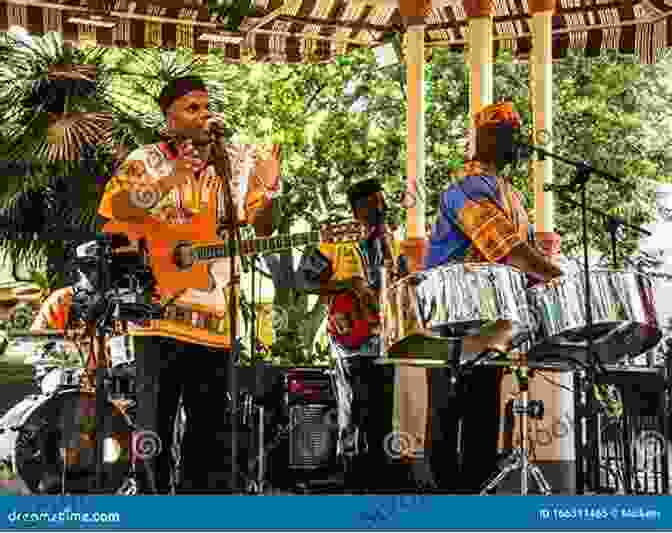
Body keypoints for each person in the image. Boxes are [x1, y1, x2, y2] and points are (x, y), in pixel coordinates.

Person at [98, 76, 280, 493]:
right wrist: (174, 175)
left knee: (210, 433)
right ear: (169, 117)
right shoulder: (146, 159)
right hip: (158, 315)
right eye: (191, 108)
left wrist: (268, 189)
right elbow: (118, 206)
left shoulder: (232, 164)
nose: (203, 115)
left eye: (206, 106)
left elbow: (263, 226)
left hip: (215, 319)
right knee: (154, 432)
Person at [422, 101, 564, 491]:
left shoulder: (511, 194)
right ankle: (446, 511)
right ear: (481, 139)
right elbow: (507, 249)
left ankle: (476, 502)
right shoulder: (465, 188)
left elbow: (526, 258)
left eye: (515, 133)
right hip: (456, 319)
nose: (513, 141)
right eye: (503, 133)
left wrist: (546, 277)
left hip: (492, 320)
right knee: (451, 416)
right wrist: (556, 276)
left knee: (483, 416)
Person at [296, 179, 435, 492]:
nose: (382, 209)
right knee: (354, 410)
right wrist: (348, 286)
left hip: (383, 338)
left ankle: (378, 481)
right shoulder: (334, 239)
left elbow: (402, 283)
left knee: (382, 413)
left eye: (383, 203)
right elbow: (304, 280)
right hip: (350, 339)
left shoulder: (391, 241)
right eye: (375, 204)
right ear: (357, 208)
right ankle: (353, 481)